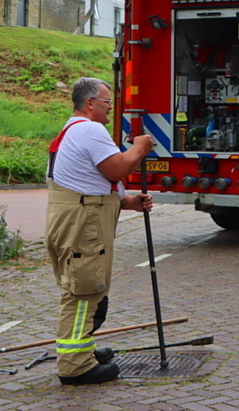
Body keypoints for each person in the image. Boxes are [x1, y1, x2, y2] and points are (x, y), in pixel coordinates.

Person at [45, 77, 154, 385]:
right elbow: (118, 168)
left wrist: (127, 200)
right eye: (107, 103)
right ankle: (75, 365)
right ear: (90, 103)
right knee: (84, 290)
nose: (110, 109)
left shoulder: (71, 132)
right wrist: (140, 148)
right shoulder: (90, 129)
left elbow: (93, 179)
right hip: (85, 223)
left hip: (72, 217)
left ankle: (83, 349)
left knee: (83, 285)